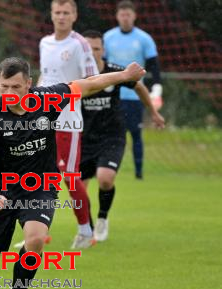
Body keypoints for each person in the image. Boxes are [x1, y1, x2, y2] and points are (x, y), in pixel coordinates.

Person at [0, 57, 147, 289]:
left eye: (16, 87)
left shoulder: (47, 98)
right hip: (2, 191)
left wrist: (124, 75)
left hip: (39, 186)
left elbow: (88, 84)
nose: (10, 93)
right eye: (4, 86)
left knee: (36, 240)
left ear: (29, 84)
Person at [81, 30, 164, 241]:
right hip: (83, 138)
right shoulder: (75, 73)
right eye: (88, 49)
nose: (92, 52)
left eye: (97, 48)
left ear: (103, 50)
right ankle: (87, 229)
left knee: (105, 178)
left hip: (112, 135)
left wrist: (153, 112)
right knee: (79, 189)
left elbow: (139, 86)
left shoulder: (114, 72)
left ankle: (102, 218)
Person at [38, 0, 100, 249]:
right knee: (39, 177)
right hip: (42, 122)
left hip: (67, 122)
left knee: (70, 177)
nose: (61, 17)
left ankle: (86, 230)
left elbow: (92, 81)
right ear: (51, 15)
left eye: (66, 12)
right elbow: (46, 76)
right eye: (57, 12)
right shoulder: (44, 42)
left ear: (74, 15)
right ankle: (38, 232)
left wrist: (64, 98)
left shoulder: (79, 44)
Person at [104, 0, 163, 179]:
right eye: (122, 15)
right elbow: (101, 65)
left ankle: (138, 173)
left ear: (134, 16)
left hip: (135, 95)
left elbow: (154, 67)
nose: (125, 18)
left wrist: (157, 89)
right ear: (117, 16)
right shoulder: (108, 37)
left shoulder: (144, 39)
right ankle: (108, 168)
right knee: (111, 135)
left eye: (128, 15)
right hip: (113, 96)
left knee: (136, 134)